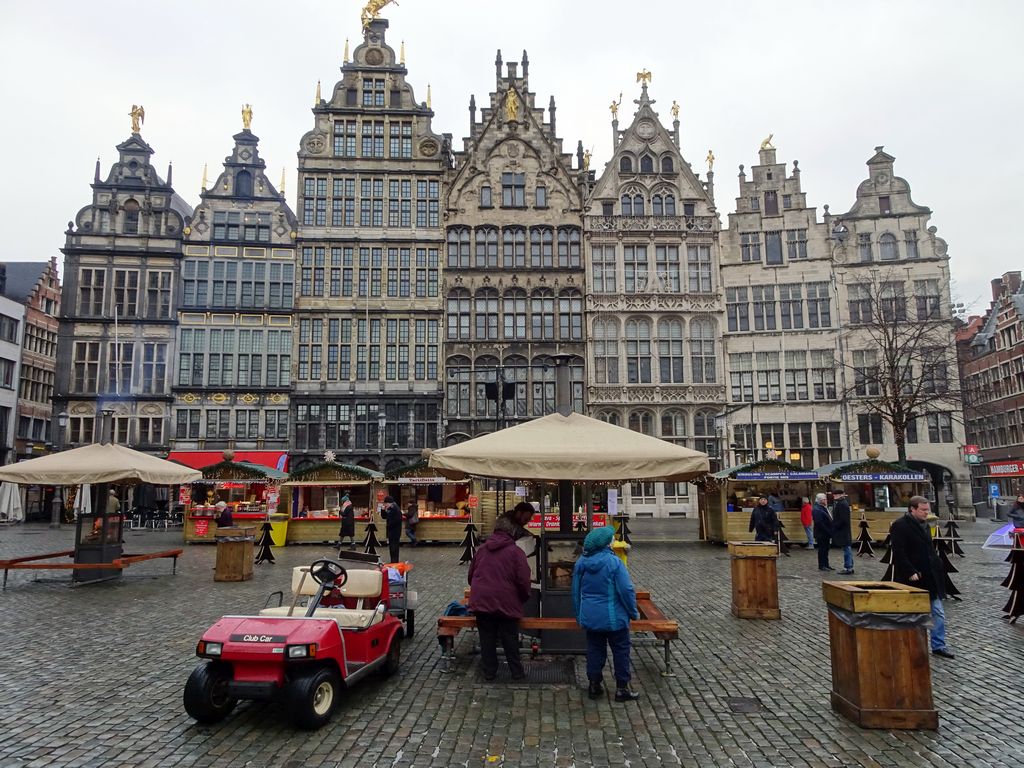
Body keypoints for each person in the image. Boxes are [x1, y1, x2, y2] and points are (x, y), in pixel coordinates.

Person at [573, 526, 640, 702]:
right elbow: (626, 590)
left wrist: (579, 615)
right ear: (605, 543)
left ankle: (594, 685)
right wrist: (633, 613)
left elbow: (575, 592)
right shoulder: (614, 562)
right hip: (614, 617)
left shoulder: (581, 562)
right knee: (621, 650)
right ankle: (622, 688)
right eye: (611, 538)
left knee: (594, 649)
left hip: (591, 617)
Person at [889, 496, 955, 659]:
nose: (927, 513)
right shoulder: (900, 525)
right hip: (914, 577)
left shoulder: (925, 525)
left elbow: (929, 549)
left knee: (938, 612)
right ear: (912, 509)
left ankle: (938, 645)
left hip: (931, 574)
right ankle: (913, 644)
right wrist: (910, 570)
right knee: (914, 614)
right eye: (923, 510)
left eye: (928, 509)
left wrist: (938, 565)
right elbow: (899, 551)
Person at [467, 516, 531, 681]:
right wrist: (522, 598)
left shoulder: (481, 550)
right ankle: (516, 672)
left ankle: (489, 672)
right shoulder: (516, 552)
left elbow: (471, 576)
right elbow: (524, 580)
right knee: (510, 637)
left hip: (482, 601)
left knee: (486, 637)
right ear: (511, 532)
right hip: (506, 601)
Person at [831, 488, 854, 575]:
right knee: (847, 548)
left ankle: (848, 567)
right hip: (844, 530)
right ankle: (849, 566)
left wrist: (835, 526)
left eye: (835, 495)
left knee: (846, 549)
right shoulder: (842, 503)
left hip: (843, 530)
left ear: (840, 495)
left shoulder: (842, 504)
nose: (834, 496)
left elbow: (843, 519)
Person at [812, 493, 833, 571]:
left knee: (826, 549)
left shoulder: (823, 508)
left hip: (825, 533)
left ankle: (826, 564)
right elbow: (819, 523)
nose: (826, 500)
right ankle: (822, 565)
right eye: (824, 499)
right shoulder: (817, 509)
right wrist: (828, 531)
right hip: (821, 533)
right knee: (822, 550)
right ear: (820, 500)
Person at [381, 495, 403, 564]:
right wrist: (383, 510)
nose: (385, 505)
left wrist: (389, 524)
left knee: (394, 547)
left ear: (389, 503)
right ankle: (393, 561)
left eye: (386, 504)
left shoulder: (395, 509)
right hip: (391, 531)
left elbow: (397, 520)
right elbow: (384, 517)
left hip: (395, 531)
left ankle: (394, 561)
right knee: (392, 547)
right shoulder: (390, 509)